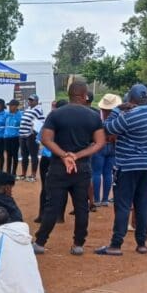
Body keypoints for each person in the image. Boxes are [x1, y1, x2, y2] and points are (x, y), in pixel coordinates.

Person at [33, 82, 105, 256]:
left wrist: (64, 155)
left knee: (52, 205)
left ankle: (40, 242)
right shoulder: (94, 116)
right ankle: (78, 244)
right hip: (82, 167)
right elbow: (100, 142)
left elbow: (46, 139)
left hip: (59, 166)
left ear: (69, 94)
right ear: (85, 95)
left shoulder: (56, 114)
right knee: (81, 207)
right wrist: (77, 156)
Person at [94, 85, 147, 256]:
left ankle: (116, 244)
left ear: (130, 99)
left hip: (127, 166)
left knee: (123, 205)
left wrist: (117, 110)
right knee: (142, 204)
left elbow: (107, 127)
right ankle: (142, 244)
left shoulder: (129, 116)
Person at [34, 99, 68, 225]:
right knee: (63, 186)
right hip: (61, 158)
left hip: (48, 157)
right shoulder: (69, 123)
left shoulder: (50, 120)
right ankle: (59, 216)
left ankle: (41, 215)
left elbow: (40, 138)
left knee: (45, 186)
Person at [92, 94, 121, 207]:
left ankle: (96, 199)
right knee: (108, 173)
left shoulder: (97, 115)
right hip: (113, 145)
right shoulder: (118, 115)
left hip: (99, 145)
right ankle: (105, 199)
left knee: (96, 173)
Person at [19, 94, 45, 182]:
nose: (29, 101)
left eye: (32, 100)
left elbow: (41, 123)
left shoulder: (38, 110)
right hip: (22, 135)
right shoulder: (27, 109)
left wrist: (33, 132)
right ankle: (23, 174)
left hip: (31, 136)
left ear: (36, 101)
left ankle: (33, 175)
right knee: (24, 155)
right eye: (29, 100)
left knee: (33, 155)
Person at [4, 99, 24, 177]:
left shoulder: (20, 115)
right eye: (9, 106)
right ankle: (8, 172)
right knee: (8, 155)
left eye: (11, 106)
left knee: (15, 155)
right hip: (7, 138)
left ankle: (14, 173)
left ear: (16, 106)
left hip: (15, 138)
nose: (9, 107)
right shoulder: (7, 114)